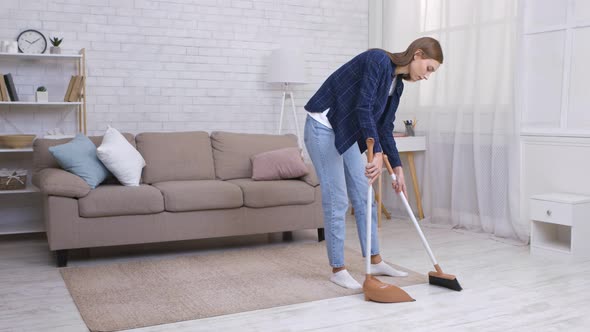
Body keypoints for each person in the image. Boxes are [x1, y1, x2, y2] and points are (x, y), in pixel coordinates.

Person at [304, 37, 443, 289]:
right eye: (429, 69)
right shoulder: (378, 60)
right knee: (337, 199)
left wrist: (397, 168)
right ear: (418, 55)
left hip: (344, 130)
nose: (427, 76)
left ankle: (375, 260)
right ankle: (338, 269)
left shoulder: (397, 85)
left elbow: (385, 127)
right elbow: (363, 107)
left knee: (364, 195)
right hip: (323, 126)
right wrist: (376, 153)